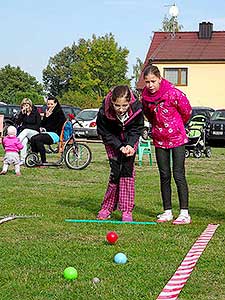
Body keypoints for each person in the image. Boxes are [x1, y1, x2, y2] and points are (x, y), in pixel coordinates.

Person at [141, 64, 192, 225]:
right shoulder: (145, 98)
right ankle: (167, 211)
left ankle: (184, 213)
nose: (150, 85)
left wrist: (177, 126)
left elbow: (187, 111)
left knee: (178, 174)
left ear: (160, 79)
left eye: (153, 81)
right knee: (164, 175)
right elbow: (149, 115)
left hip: (177, 138)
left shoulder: (173, 93)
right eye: (147, 82)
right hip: (159, 139)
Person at [96, 85, 144, 222]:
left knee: (127, 172)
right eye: (117, 106)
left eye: (124, 106)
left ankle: (126, 210)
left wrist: (129, 145)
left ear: (130, 102)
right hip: (112, 141)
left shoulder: (137, 108)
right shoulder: (104, 112)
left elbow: (137, 128)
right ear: (112, 101)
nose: (121, 109)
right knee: (115, 172)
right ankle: (107, 207)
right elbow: (104, 133)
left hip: (130, 140)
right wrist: (119, 146)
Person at [30, 96, 66, 164]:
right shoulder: (47, 112)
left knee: (38, 139)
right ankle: (34, 158)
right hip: (47, 133)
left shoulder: (59, 113)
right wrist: (46, 117)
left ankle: (44, 161)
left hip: (55, 134)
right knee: (33, 138)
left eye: (51, 104)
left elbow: (54, 127)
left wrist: (50, 116)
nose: (49, 106)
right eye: (48, 104)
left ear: (55, 104)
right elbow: (42, 125)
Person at [16, 98, 41, 165]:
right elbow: (18, 123)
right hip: (25, 134)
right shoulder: (23, 113)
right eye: (24, 105)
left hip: (35, 132)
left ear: (30, 105)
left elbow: (38, 125)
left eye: (27, 105)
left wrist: (26, 127)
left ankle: (15, 143)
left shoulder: (35, 112)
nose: (25, 106)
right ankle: (23, 160)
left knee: (26, 130)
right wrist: (22, 113)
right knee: (23, 141)